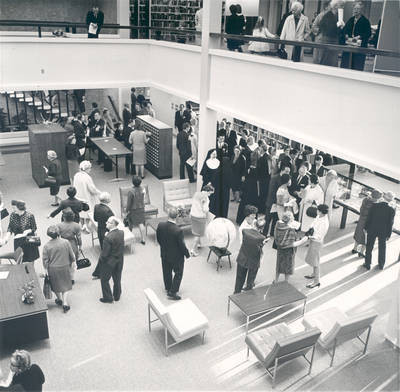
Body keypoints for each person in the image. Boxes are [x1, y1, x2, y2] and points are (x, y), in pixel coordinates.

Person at [156, 208, 191, 300]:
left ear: (168, 214)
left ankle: (168, 287)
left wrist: (163, 247)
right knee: (178, 273)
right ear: (177, 216)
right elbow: (181, 245)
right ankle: (173, 291)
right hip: (176, 257)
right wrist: (187, 254)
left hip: (164, 254)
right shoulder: (178, 230)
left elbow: (158, 238)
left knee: (166, 272)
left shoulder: (160, 225)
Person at [42, 225, 75, 313]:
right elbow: (72, 255)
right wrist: (73, 262)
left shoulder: (46, 246)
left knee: (55, 285)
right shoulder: (66, 242)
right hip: (65, 266)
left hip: (53, 269)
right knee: (66, 285)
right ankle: (65, 303)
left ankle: (59, 299)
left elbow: (45, 261)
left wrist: (46, 270)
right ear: (58, 233)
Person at [234, 218, 268, 293]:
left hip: (242, 257)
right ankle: (248, 292)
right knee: (251, 278)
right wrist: (263, 243)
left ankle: (237, 292)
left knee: (239, 277)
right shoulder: (262, 238)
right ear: (262, 228)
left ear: (254, 224)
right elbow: (259, 246)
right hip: (254, 260)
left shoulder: (245, 231)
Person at [364, 191, 396, 270]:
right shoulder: (391, 210)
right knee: (382, 247)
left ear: (384, 197)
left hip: (372, 228)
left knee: (369, 246)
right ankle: (381, 264)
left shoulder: (375, 205)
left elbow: (369, 217)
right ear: (391, 200)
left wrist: (366, 227)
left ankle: (367, 263)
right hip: (383, 231)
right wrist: (388, 234)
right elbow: (390, 223)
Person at [274, 211, 308, 282]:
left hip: (280, 249)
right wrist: (303, 240)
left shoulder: (278, 224)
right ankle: (285, 281)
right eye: (292, 217)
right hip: (289, 251)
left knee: (279, 264)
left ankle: (276, 280)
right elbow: (292, 244)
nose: (294, 218)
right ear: (289, 220)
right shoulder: (290, 230)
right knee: (288, 267)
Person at [98, 217, 125, 303]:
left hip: (109, 262)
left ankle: (108, 298)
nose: (106, 223)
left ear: (113, 224)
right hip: (119, 260)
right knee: (117, 278)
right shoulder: (121, 233)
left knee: (104, 279)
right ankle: (117, 296)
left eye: (108, 222)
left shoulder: (108, 238)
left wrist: (101, 261)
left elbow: (105, 254)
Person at [340, 1, 371, 71]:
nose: (355, 10)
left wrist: (359, 36)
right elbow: (345, 30)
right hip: (349, 45)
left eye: (358, 9)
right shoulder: (351, 20)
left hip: (359, 48)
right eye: (354, 9)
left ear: (361, 10)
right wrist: (346, 34)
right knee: (346, 65)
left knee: (357, 66)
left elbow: (368, 33)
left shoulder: (365, 21)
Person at [304, 204, 330, 288]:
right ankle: (313, 274)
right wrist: (310, 229)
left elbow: (320, 235)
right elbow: (314, 223)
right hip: (313, 240)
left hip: (317, 242)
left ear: (321, 212)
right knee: (312, 259)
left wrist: (309, 237)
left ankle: (316, 281)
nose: (316, 211)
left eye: (318, 210)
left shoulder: (324, 223)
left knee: (315, 262)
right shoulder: (320, 216)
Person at [352, 189, 382, 258]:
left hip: (361, 221)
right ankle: (361, 252)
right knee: (366, 238)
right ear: (376, 198)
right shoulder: (376, 205)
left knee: (358, 235)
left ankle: (355, 249)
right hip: (369, 224)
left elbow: (361, 209)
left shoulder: (365, 200)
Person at [73, 161, 101, 232]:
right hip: (86, 197)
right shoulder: (87, 177)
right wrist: (99, 192)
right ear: (87, 169)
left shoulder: (76, 175)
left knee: (81, 212)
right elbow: (92, 189)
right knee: (89, 212)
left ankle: (82, 225)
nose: (90, 169)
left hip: (78, 197)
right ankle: (88, 227)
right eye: (90, 168)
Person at [264, 163, 291, 236]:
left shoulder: (286, 179)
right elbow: (271, 192)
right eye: (286, 171)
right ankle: (264, 233)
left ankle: (273, 233)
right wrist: (278, 202)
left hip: (279, 204)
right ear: (282, 170)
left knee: (276, 219)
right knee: (268, 219)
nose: (288, 173)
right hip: (272, 202)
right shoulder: (274, 178)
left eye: (289, 172)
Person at [318, 0, 345, 67]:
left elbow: (337, 30)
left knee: (333, 62)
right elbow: (328, 29)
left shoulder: (337, 16)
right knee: (326, 60)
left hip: (334, 40)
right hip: (328, 40)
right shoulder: (327, 15)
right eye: (340, 5)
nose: (342, 7)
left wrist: (342, 28)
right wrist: (338, 25)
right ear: (335, 6)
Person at [57, 209, 81, 285]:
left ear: (64, 217)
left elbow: (57, 236)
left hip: (62, 243)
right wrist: (80, 246)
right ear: (73, 217)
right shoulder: (76, 225)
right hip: (72, 243)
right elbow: (79, 237)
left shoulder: (59, 225)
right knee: (73, 262)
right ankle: (71, 278)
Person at [190, 184, 214, 256]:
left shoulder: (196, 194)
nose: (210, 195)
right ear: (207, 191)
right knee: (198, 234)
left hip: (193, 215)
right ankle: (193, 250)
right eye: (210, 193)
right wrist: (208, 209)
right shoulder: (206, 199)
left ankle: (199, 244)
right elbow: (205, 209)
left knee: (196, 231)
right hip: (200, 217)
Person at [126, 176, 146, 245]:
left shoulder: (131, 191)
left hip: (133, 209)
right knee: (141, 223)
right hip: (141, 208)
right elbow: (143, 198)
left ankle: (130, 238)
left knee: (130, 223)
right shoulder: (143, 189)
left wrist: (127, 210)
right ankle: (143, 239)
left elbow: (129, 203)